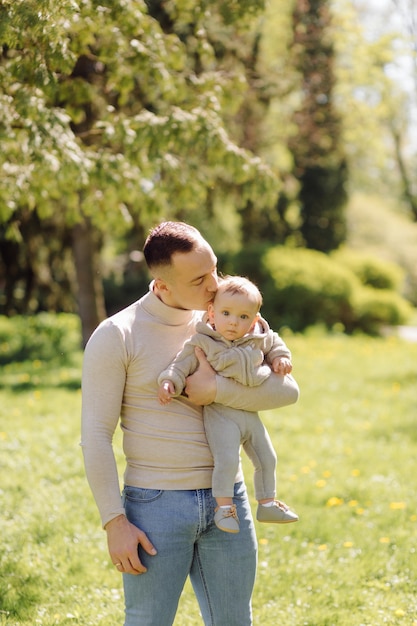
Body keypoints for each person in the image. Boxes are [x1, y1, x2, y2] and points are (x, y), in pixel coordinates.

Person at [81, 221, 299, 626]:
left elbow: (288, 391)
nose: (215, 285)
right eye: (200, 279)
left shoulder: (231, 316)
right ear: (163, 286)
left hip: (228, 499)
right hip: (155, 507)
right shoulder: (117, 335)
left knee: (235, 621)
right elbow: (95, 436)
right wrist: (114, 522)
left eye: (214, 268)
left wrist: (215, 390)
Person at [158, 275, 298, 534]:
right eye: (226, 313)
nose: (234, 322)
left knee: (267, 457)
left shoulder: (259, 338)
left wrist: (280, 358)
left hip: (248, 413)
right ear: (211, 313)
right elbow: (181, 364)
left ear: (254, 320)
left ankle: (267, 503)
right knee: (227, 460)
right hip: (221, 415)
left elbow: (276, 344)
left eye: (244, 317)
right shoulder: (202, 342)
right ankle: (224, 509)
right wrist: (169, 381)